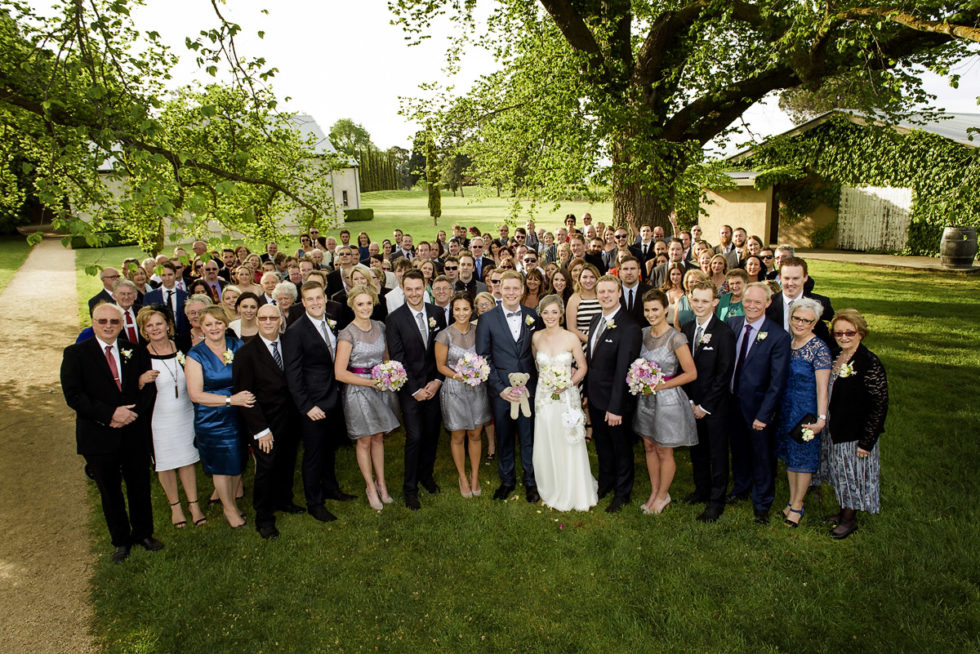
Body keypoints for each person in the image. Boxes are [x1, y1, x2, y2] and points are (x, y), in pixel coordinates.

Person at [61, 302, 162, 563]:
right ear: (93, 323)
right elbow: (74, 396)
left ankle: (144, 534)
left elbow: (148, 388)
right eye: (102, 321)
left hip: (133, 432)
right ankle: (120, 540)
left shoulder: (135, 351)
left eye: (114, 322)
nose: (108, 326)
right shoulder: (76, 353)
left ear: (121, 324)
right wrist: (109, 415)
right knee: (110, 490)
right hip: (98, 435)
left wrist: (132, 414)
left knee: (139, 485)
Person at [282, 282, 355, 522]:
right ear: (303, 303)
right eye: (309, 299)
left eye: (318, 298)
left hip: (333, 396)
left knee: (329, 447)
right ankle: (315, 502)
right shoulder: (295, 331)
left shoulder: (331, 322)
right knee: (313, 453)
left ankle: (331, 488)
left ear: (325, 299)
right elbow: (293, 374)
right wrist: (306, 406)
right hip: (313, 403)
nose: (315, 303)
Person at [232, 304, 305, 540]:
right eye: (262, 318)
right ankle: (263, 517)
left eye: (272, 318)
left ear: (280, 321)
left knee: (287, 461)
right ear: (257, 321)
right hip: (265, 422)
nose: (267, 322)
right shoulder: (246, 353)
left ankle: (285, 500)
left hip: (292, 418)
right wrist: (261, 430)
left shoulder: (291, 342)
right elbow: (244, 395)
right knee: (266, 468)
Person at [137, 306, 207, 530]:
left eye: (159, 323)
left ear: (168, 325)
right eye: (150, 325)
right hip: (158, 418)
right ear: (144, 330)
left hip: (185, 413)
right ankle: (175, 506)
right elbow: (129, 389)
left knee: (187, 459)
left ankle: (194, 505)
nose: (155, 329)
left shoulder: (182, 347)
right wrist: (140, 380)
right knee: (166, 463)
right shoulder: (140, 355)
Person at [184, 306, 254, 529]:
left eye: (218, 323)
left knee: (236, 460)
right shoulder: (195, 355)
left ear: (226, 324)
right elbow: (195, 395)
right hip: (212, 417)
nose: (214, 328)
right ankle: (228, 508)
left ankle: (231, 501)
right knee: (222, 465)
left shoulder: (237, 346)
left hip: (239, 413)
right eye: (208, 324)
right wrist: (229, 401)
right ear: (201, 328)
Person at [727, 282, 791, 524]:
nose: (751, 306)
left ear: (767, 303)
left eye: (757, 302)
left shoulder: (778, 336)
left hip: (759, 408)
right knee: (739, 450)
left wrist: (764, 415)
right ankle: (741, 488)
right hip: (733, 402)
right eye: (747, 301)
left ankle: (762, 502)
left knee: (762, 456)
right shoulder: (732, 325)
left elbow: (777, 382)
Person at [476, 270, 542, 502]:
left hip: (528, 388)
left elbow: (539, 350)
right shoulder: (487, 319)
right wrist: (499, 388)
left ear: (522, 290)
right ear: (498, 290)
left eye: (516, 288)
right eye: (507, 288)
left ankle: (531, 481)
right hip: (501, 389)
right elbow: (483, 357)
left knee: (528, 436)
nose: (512, 292)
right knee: (503, 436)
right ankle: (506, 480)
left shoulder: (532, 315)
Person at [334, 285, 401, 511]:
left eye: (369, 303)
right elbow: (340, 373)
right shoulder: (347, 333)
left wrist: (390, 375)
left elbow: (386, 358)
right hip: (358, 391)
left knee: (378, 437)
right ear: (352, 305)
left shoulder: (381, 327)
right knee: (364, 439)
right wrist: (372, 382)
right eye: (360, 304)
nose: (365, 308)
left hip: (380, 388)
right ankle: (370, 486)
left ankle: (382, 483)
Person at [528, 294, 596, 511]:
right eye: (545, 312)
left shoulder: (570, 338)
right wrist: (548, 381)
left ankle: (572, 487)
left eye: (554, 312)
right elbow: (538, 366)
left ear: (561, 314)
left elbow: (583, 367)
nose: (550, 316)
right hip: (544, 397)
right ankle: (549, 484)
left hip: (566, 396)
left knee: (568, 438)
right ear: (541, 314)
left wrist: (568, 383)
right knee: (547, 435)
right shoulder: (536, 337)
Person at [825, 309, 888, 539]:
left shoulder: (868, 362)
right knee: (841, 472)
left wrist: (867, 441)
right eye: (838, 333)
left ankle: (849, 521)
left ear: (860, 333)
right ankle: (842, 512)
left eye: (849, 333)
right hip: (836, 427)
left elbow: (879, 404)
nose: (843, 337)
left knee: (853, 475)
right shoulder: (836, 355)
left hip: (855, 431)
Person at [386, 271, 447, 510]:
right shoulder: (395, 319)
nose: (413, 293)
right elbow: (398, 358)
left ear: (425, 287)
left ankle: (426, 476)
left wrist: (437, 380)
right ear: (403, 288)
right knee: (415, 436)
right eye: (408, 289)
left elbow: (442, 350)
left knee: (432, 434)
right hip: (410, 387)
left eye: (417, 288)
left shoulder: (437, 313)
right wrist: (414, 389)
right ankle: (409, 488)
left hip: (433, 384)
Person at [633, 290, 698, 515]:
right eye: (647, 310)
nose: (651, 314)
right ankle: (654, 492)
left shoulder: (676, 338)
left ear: (665, 310)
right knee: (649, 446)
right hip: (645, 399)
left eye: (656, 310)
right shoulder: (642, 334)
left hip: (667, 400)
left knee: (663, 450)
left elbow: (691, 373)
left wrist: (661, 385)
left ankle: (663, 495)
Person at [584, 275, 642, 513]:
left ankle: (623, 492)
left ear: (619, 293)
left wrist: (616, 407)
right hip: (596, 398)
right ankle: (605, 483)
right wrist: (587, 394)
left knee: (621, 447)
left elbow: (624, 370)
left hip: (616, 402)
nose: (605, 295)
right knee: (603, 446)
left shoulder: (629, 326)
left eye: (610, 291)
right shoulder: (596, 319)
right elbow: (592, 361)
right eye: (601, 291)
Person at [680, 280, 736, 522]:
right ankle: (701, 490)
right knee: (697, 449)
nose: (700, 305)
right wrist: (691, 401)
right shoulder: (687, 327)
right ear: (690, 300)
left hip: (715, 406)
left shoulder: (724, 332)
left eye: (705, 301)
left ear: (715, 302)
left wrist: (704, 406)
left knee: (717, 453)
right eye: (696, 300)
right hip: (691, 402)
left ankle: (716, 500)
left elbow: (725, 374)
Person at [776, 298, 831, 528]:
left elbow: (822, 388)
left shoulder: (819, 349)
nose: (800, 323)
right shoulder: (787, 343)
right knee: (791, 457)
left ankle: (798, 505)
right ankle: (791, 500)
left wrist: (821, 419)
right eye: (797, 318)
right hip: (786, 410)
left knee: (804, 459)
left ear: (814, 322)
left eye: (806, 320)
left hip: (806, 413)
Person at [434, 293, 491, 498]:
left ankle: (474, 475)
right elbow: (440, 366)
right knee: (458, 434)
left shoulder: (479, 331)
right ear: (452, 311)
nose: (461, 313)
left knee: (475, 433)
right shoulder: (444, 335)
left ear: (471, 310)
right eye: (457, 309)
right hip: (455, 389)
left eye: (465, 309)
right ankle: (462, 477)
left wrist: (477, 373)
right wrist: (462, 376)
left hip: (477, 389)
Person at [766, 256, 834, 346]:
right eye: (786, 278)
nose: (790, 283)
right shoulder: (767, 304)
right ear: (780, 277)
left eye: (795, 278)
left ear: (805, 277)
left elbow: (829, 340)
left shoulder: (822, 304)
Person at [566, 263, 601, 344]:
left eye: (592, 277)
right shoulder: (574, 299)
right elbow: (571, 328)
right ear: (579, 279)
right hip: (582, 344)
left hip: (603, 342)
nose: (588, 280)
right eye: (584, 277)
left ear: (597, 278)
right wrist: (591, 341)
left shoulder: (602, 297)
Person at [617, 256, 649, 325]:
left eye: (632, 269)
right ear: (619, 272)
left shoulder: (650, 291)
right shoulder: (613, 292)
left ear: (639, 271)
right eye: (625, 269)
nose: (629, 272)